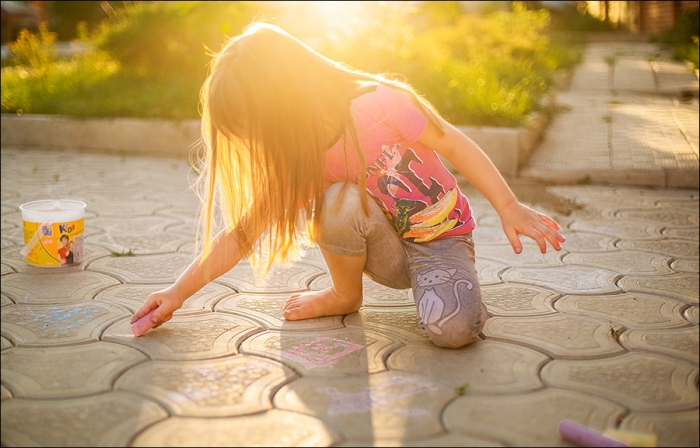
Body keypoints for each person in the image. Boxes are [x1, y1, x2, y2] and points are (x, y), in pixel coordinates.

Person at [131, 22, 565, 348]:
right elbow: (242, 233)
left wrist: (509, 207)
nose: (261, 143)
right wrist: (176, 293)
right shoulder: (301, 158)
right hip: (387, 253)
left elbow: (455, 143)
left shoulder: (382, 101)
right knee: (337, 200)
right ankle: (344, 295)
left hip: (441, 241)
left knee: (449, 331)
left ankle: (450, 286)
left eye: (260, 128)